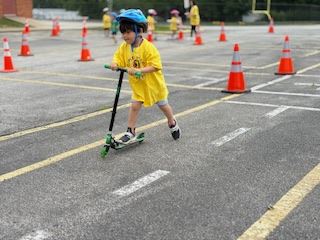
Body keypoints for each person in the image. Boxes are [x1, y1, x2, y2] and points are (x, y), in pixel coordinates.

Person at [110, 9, 181, 143]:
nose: (125, 36)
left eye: (128, 32)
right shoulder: (124, 47)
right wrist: (115, 63)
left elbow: (156, 65)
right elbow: (118, 57)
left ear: (138, 30)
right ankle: (130, 131)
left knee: (163, 105)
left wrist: (140, 70)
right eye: (123, 32)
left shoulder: (149, 47)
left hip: (154, 85)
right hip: (138, 86)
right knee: (135, 106)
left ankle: (172, 122)